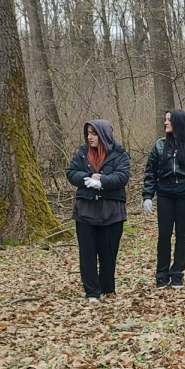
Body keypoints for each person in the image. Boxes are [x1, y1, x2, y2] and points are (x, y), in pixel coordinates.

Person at [143, 109, 185, 289]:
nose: (165, 123)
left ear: (178, 123)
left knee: (182, 234)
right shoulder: (158, 146)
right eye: (165, 119)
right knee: (164, 234)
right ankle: (161, 274)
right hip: (165, 193)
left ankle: (177, 274)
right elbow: (150, 173)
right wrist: (148, 195)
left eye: (168, 120)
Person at [66, 120, 130, 302]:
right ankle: (92, 292)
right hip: (85, 209)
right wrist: (87, 177)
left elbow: (122, 176)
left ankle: (107, 288)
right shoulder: (81, 153)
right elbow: (71, 172)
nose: (90, 137)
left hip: (112, 210)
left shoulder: (119, 154)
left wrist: (102, 181)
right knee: (87, 253)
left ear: (103, 134)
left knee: (108, 252)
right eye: (88, 133)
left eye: (94, 133)